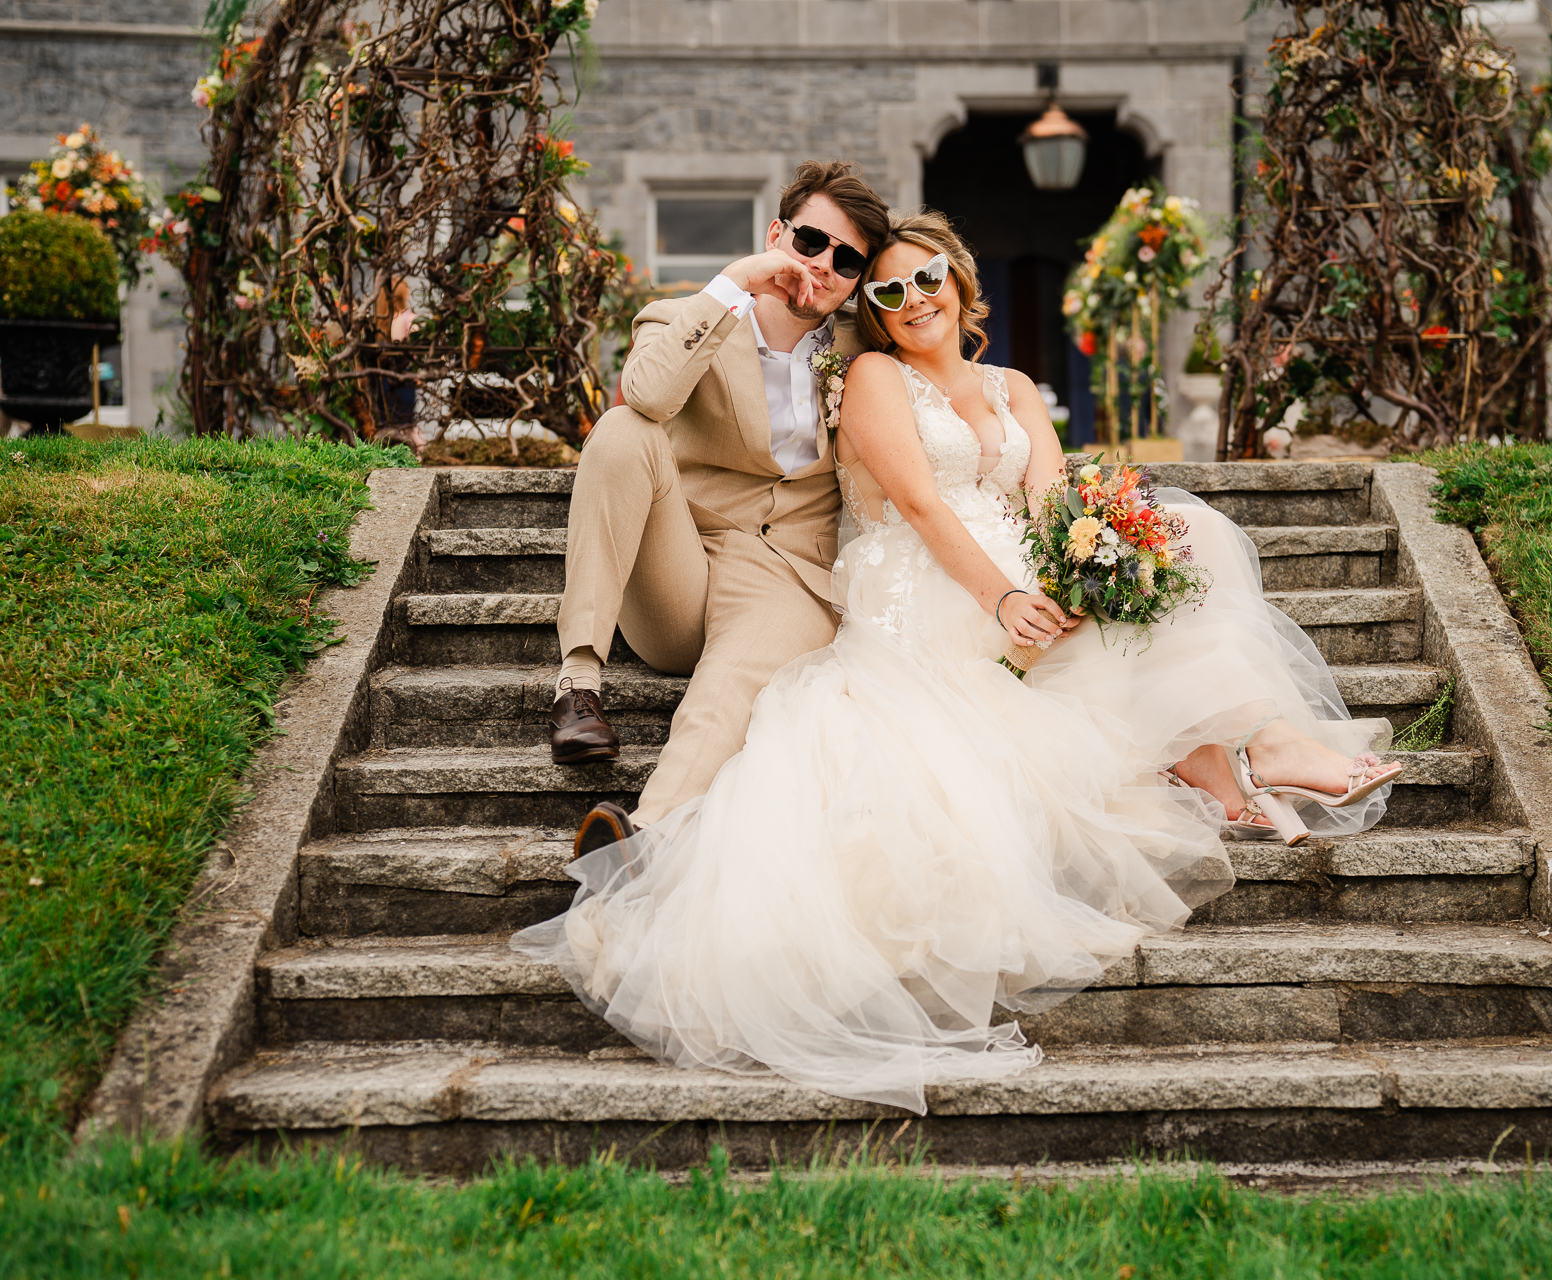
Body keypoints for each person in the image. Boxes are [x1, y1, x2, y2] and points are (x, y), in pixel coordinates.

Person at [513, 213, 1399, 1114]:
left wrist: (1087, 563)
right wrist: (1007, 598)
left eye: (913, 276)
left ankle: (1255, 746)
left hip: (933, 567)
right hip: (869, 579)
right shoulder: (856, 367)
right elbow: (919, 504)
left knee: (1184, 538)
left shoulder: (1001, 381)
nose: (904, 297)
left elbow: (1048, 498)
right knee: (630, 439)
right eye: (885, 289)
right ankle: (1242, 765)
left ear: (958, 281)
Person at [546, 161, 891, 859]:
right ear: (778, 234)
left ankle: (641, 837)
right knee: (621, 430)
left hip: (789, 577)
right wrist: (735, 281)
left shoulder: (867, 350)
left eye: (847, 260)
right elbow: (643, 395)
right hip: (680, 573)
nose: (823, 266)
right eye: (812, 243)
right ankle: (578, 682)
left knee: (732, 684)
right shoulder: (688, 316)